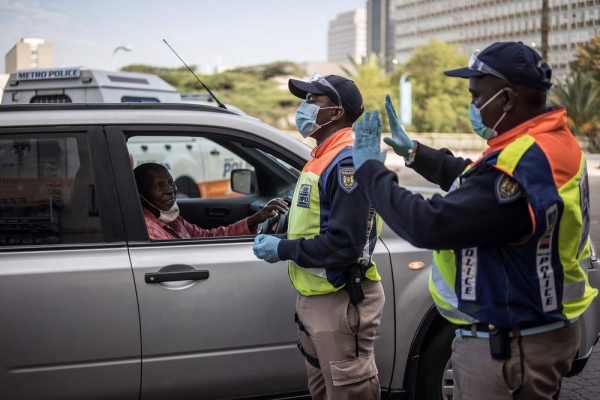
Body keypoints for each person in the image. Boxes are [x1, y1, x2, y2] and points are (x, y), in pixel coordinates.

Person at [352, 41, 598, 400]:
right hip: (536, 331)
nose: (473, 105)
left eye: (476, 95)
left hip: (508, 348)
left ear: (507, 99)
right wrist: (417, 154)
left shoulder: (519, 167)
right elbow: (476, 181)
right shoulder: (549, 144)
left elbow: (429, 224)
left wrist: (371, 170)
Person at [252, 74, 385, 399]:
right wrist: (284, 223)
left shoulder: (346, 162)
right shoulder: (322, 157)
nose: (304, 107)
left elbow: (345, 244)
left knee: (348, 390)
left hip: (340, 297)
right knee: (324, 390)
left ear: (336, 113)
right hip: (318, 296)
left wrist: (281, 248)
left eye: (313, 101)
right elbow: (320, 219)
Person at [134, 162, 288, 240]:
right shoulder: (151, 231)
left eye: (171, 182)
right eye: (159, 186)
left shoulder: (172, 219)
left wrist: (252, 221)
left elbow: (206, 237)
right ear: (142, 195)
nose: (170, 190)